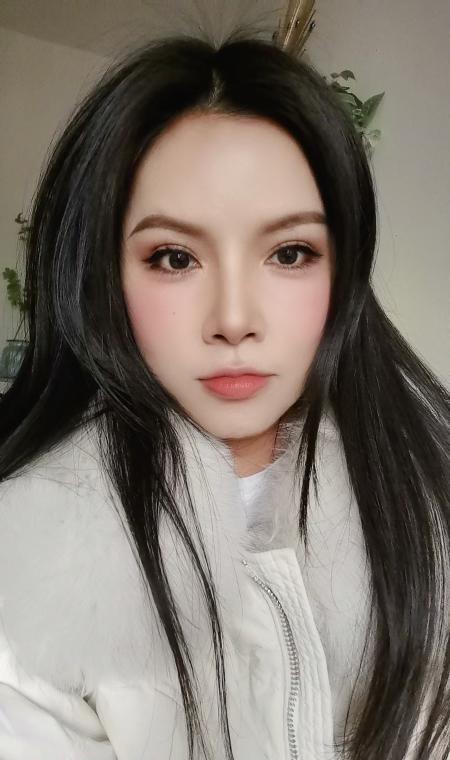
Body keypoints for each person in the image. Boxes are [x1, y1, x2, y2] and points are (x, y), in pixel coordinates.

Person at [0, 29, 448, 760]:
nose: (234, 319)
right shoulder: (29, 565)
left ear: (344, 271)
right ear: (101, 275)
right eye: (174, 257)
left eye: (290, 253)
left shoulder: (427, 495)